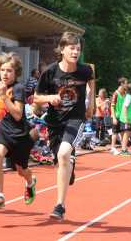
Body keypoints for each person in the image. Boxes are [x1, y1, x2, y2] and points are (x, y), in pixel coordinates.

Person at [34, 32, 94, 219]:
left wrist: (90, 104)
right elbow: (35, 97)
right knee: (60, 162)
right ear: (62, 49)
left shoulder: (84, 71)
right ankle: (70, 165)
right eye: (71, 48)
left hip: (75, 120)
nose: (75, 51)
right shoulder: (50, 72)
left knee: (63, 154)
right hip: (54, 122)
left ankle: (59, 206)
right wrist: (49, 98)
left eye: (78, 48)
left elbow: (92, 79)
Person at [0, 52, 36, 209]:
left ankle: (30, 180)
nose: (5, 73)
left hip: (19, 134)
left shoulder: (19, 89)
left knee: (21, 170)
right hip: (3, 131)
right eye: (3, 70)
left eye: (9, 70)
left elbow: (18, 115)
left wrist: (5, 96)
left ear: (16, 72)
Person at [110, 77, 128, 155]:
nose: (127, 85)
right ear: (122, 84)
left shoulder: (125, 93)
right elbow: (112, 106)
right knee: (115, 132)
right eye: (126, 83)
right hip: (116, 116)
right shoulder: (115, 94)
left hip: (122, 117)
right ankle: (113, 148)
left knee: (123, 132)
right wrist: (114, 117)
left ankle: (123, 149)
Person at [119, 83, 131, 156]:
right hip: (126, 119)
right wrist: (126, 118)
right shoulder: (129, 97)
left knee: (125, 134)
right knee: (126, 134)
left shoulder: (128, 96)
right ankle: (123, 150)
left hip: (126, 119)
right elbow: (125, 107)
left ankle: (124, 149)